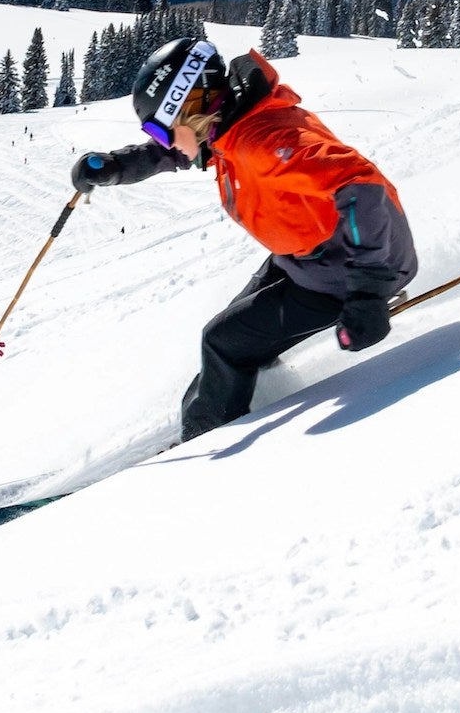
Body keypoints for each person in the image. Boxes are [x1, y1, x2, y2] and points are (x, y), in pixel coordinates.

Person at [70, 37, 418, 441]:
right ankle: (217, 416)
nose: (161, 141)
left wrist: (369, 292)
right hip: (307, 259)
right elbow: (175, 153)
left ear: (190, 109)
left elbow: (361, 185)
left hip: (345, 273)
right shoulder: (230, 124)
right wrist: (115, 167)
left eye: (160, 130)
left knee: (223, 342)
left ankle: (209, 439)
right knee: (229, 338)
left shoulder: (261, 141)